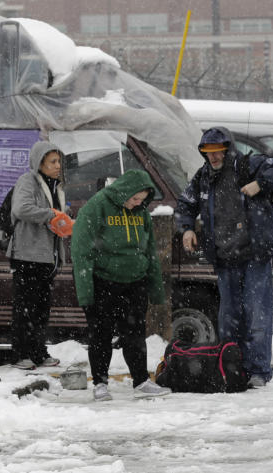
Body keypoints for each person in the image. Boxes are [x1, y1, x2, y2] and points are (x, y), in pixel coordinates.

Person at [174, 126, 273, 388]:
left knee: (257, 314)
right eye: (208, 153)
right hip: (224, 257)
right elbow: (185, 203)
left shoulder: (250, 165)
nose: (214, 158)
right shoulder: (202, 177)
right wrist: (186, 228)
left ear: (227, 149)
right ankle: (233, 367)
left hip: (254, 254)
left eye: (218, 152)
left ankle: (258, 371)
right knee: (229, 317)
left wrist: (260, 183)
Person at [71, 169, 171, 401]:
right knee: (101, 335)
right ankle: (100, 383)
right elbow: (81, 250)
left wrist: (155, 287)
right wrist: (86, 292)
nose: (137, 203)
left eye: (142, 200)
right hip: (104, 282)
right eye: (135, 198)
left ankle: (141, 381)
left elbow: (150, 251)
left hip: (135, 282)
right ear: (124, 191)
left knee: (135, 334)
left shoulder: (141, 212)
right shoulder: (96, 207)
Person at [7, 140, 72, 369]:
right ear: (40, 162)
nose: (57, 166)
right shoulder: (28, 181)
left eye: (59, 162)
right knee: (25, 307)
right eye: (53, 161)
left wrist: (64, 219)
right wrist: (51, 215)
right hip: (27, 254)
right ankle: (20, 353)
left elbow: (56, 216)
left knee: (41, 308)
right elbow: (21, 208)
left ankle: (38, 351)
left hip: (47, 256)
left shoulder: (57, 186)